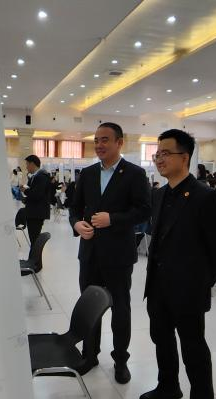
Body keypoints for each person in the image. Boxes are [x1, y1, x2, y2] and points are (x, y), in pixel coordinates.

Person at [141, 129, 216, 399]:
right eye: (157, 154)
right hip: (158, 286)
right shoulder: (159, 194)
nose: (159, 159)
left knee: (194, 350)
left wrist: (200, 284)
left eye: (166, 153)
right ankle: (168, 385)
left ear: (185, 157)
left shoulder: (205, 196)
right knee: (161, 338)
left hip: (188, 290)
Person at [71, 122, 151, 384]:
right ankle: (90, 354)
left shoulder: (134, 174)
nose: (99, 145)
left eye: (105, 140)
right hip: (90, 252)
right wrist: (77, 224)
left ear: (119, 142)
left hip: (118, 255)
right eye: (96, 140)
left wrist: (113, 219)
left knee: (120, 309)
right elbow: (75, 208)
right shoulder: (88, 173)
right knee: (90, 307)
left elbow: (144, 210)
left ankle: (120, 360)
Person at [21, 155, 51, 246]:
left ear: (32, 164)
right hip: (34, 212)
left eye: (27, 164)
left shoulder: (41, 176)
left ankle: (34, 255)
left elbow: (37, 195)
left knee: (34, 240)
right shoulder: (36, 176)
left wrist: (25, 191)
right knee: (33, 239)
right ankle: (34, 254)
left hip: (36, 213)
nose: (26, 167)